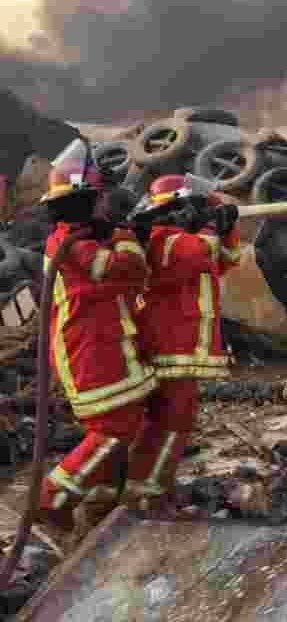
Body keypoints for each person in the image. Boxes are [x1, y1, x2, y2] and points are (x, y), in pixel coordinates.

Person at [36, 139, 156, 544]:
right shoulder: (68, 242)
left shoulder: (84, 236)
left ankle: (101, 503)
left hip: (108, 346)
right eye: (103, 199)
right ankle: (52, 501)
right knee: (112, 430)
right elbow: (124, 269)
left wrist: (120, 232)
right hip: (89, 352)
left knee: (126, 424)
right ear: (83, 202)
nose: (109, 205)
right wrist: (125, 235)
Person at [122, 174, 240, 515]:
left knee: (170, 422)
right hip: (171, 347)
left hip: (185, 348)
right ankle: (150, 494)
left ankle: (155, 486)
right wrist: (209, 226)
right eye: (197, 205)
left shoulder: (187, 236)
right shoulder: (162, 237)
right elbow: (200, 252)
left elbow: (227, 259)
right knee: (171, 422)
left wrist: (226, 222)